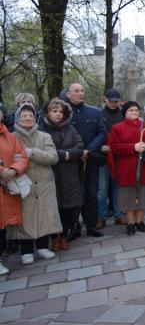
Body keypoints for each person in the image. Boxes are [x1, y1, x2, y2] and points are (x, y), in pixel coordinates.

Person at [10, 104, 61, 265]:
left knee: (44, 212)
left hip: (44, 182)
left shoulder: (44, 136)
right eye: (24, 115)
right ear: (17, 118)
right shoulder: (11, 138)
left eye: (30, 115)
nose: (27, 118)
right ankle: (26, 250)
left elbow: (53, 158)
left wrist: (33, 152)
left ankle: (42, 247)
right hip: (23, 183)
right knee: (26, 215)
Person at [109, 101, 145, 235]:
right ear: (125, 113)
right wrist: (133, 147)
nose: (134, 113)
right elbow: (114, 147)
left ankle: (140, 221)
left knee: (143, 194)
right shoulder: (117, 128)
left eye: (136, 110)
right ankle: (130, 223)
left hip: (144, 167)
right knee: (129, 196)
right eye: (131, 110)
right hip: (126, 167)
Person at [39, 98, 85, 251]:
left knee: (69, 208)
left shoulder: (71, 129)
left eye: (60, 112)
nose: (58, 114)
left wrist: (68, 154)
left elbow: (79, 146)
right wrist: (62, 153)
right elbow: (43, 150)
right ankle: (54, 237)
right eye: (54, 111)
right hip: (51, 173)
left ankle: (65, 235)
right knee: (53, 207)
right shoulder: (42, 130)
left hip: (70, 173)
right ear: (47, 113)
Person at [65, 83, 105, 237]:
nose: (80, 93)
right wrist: (77, 151)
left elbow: (101, 133)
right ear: (68, 94)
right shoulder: (64, 113)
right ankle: (74, 228)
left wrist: (89, 149)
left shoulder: (94, 112)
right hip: (72, 161)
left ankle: (91, 226)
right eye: (76, 91)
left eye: (82, 91)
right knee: (75, 195)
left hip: (91, 160)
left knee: (91, 194)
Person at [0, 107, 28, 275]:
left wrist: (13, 170)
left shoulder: (9, 136)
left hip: (6, 186)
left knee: (2, 228)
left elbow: (21, 156)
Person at [98, 89, 126, 229]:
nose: (114, 104)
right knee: (102, 188)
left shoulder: (123, 114)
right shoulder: (99, 114)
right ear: (105, 100)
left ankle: (119, 214)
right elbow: (96, 133)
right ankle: (101, 216)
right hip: (104, 155)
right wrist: (101, 147)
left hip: (119, 155)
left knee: (118, 186)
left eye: (116, 101)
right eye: (111, 101)